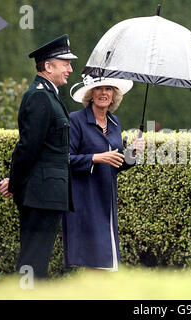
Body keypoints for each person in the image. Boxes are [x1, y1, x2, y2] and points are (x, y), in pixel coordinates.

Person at [0, 34, 77, 278]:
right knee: (32, 260)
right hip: (40, 193)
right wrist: (16, 181)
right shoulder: (41, 96)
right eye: (65, 64)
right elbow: (28, 147)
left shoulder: (48, 94)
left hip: (46, 194)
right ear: (48, 66)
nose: (70, 69)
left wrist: (15, 180)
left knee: (37, 261)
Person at [62, 75, 145, 271]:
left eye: (108, 89)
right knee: (95, 261)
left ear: (114, 95)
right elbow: (65, 158)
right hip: (84, 200)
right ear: (91, 94)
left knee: (105, 262)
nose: (104, 93)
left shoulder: (115, 122)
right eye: (99, 89)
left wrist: (132, 153)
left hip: (106, 199)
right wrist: (95, 158)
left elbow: (117, 162)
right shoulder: (76, 120)